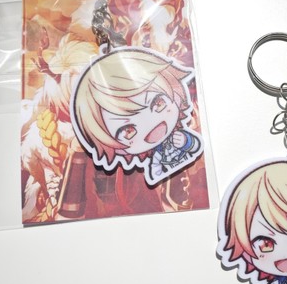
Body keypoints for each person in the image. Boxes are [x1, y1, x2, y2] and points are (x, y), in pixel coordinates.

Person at [71, 47, 203, 185]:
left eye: (158, 103)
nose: (150, 124)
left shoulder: (181, 135)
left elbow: (196, 145)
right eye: (128, 131)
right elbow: (155, 173)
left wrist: (186, 141)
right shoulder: (157, 155)